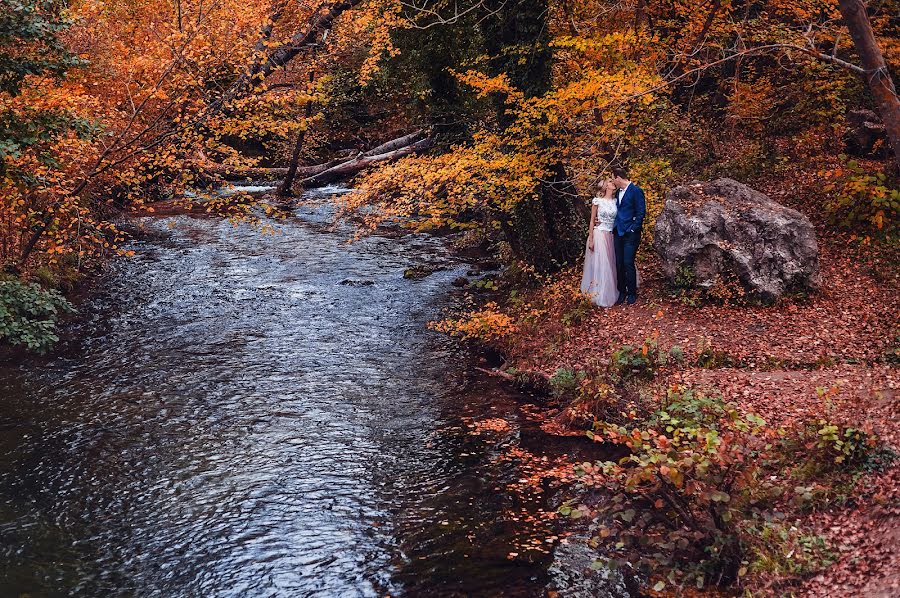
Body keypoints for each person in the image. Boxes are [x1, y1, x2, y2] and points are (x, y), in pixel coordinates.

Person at [580, 179, 619, 307]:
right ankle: (601, 294)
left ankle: (615, 289)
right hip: (599, 234)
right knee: (602, 265)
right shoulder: (597, 201)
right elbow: (591, 221)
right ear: (605, 186)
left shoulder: (616, 201)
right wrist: (591, 239)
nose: (612, 183)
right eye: (609, 182)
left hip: (612, 235)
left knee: (612, 264)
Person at [610, 166, 645, 305]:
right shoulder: (618, 192)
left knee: (627, 263)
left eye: (614, 178)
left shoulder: (636, 191)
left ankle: (631, 293)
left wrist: (633, 229)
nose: (613, 181)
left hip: (630, 234)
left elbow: (641, 213)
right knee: (618, 264)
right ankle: (621, 292)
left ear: (618, 177)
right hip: (618, 232)